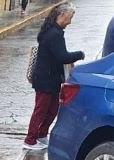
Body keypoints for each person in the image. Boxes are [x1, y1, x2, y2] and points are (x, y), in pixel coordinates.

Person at [23, 2, 84, 151]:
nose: (70, 22)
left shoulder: (54, 32)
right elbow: (62, 56)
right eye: (69, 18)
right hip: (45, 80)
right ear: (61, 15)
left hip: (51, 79)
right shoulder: (54, 34)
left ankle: (42, 135)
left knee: (52, 110)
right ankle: (29, 140)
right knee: (41, 110)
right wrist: (79, 54)